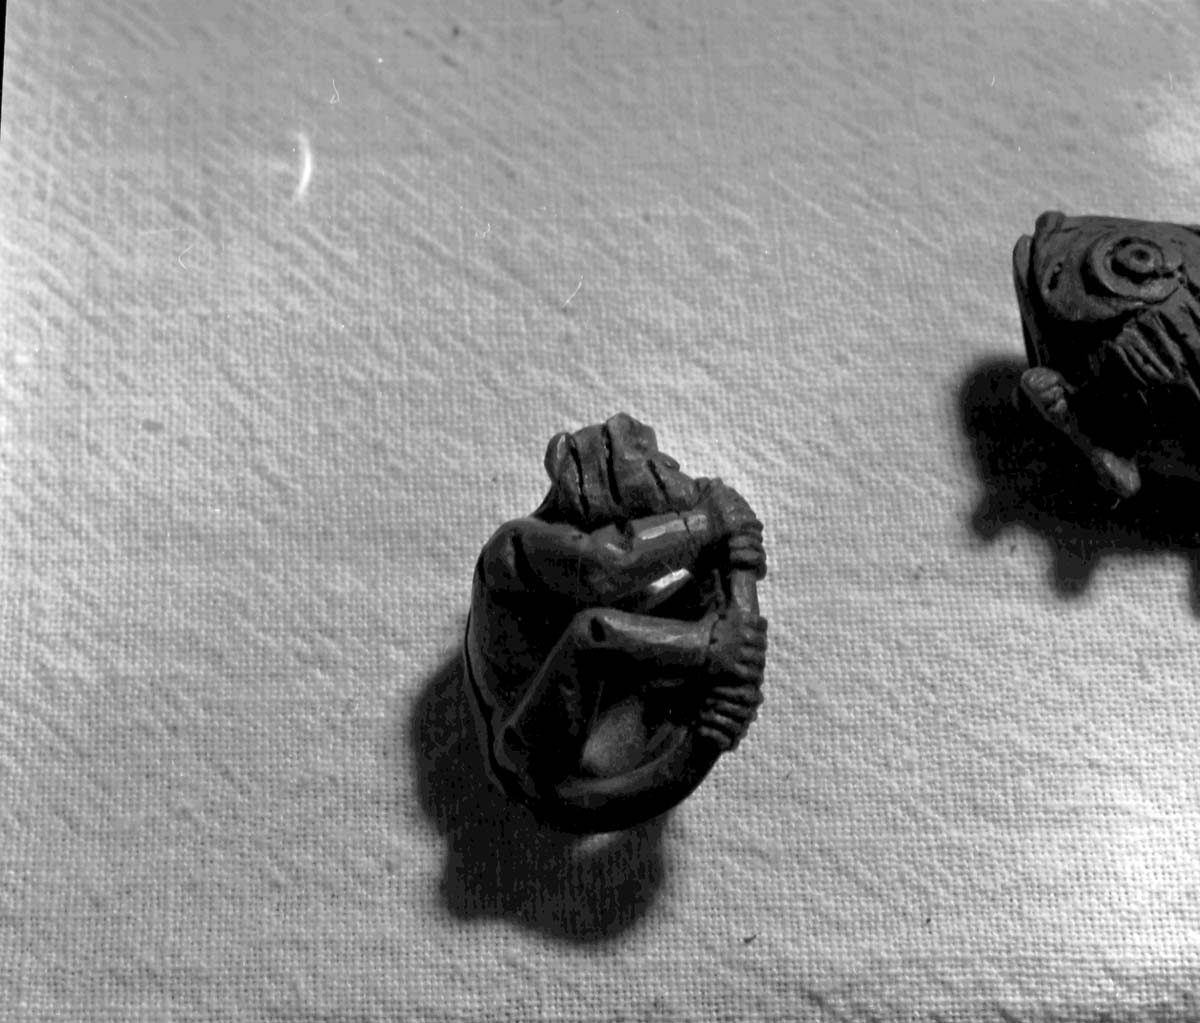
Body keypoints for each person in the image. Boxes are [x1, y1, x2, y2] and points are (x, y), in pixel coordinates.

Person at [464, 413, 768, 808]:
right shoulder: (513, 549)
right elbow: (603, 566)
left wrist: (725, 555)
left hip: (603, 723)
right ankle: (708, 652)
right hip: (536, 750)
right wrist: (705, 523)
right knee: (594, 631)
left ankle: (705, 676)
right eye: (652, 464)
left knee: (700, 594)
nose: (667, 473)